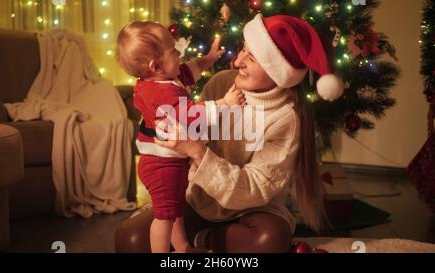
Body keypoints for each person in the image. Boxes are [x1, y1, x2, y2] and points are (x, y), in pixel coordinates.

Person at [115, 14, 344, 253]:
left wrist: (197, 151)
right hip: (200, 200)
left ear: (276, 70)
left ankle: (204, 240)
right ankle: (203, 241)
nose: (237, 61)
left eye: (251, 57)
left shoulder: (286, 118)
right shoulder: (222, 83)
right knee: (130, 239)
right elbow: (186, 117)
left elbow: (256, 188)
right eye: (243, 50)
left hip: (251, 209)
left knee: (270, 239)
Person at [116, 21, 245, 253]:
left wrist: (208, 59)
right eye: (174, 51)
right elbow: (191, 114)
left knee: (175, 210)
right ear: (156, 66)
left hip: (171, 160)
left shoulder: (164, 78)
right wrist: (225, 104)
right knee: (164, 216)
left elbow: (186, 72)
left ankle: (183, 247)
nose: (179, 54)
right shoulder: (159, 93)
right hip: (160, 164)